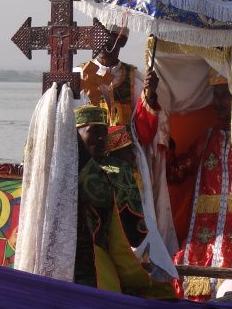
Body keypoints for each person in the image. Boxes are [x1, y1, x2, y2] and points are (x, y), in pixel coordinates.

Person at [165, 69, 232, 301]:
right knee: (183, 264)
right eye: (216, 95)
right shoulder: (206, 139)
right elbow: (175, 175)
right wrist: (165, 140)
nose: (218, 102)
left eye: (224, 95)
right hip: (202, 235)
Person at [74, 105, 175, 298]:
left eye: (105, 132)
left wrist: (79, 152)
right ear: (77, 135)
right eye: (94, 132)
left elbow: (101, 194)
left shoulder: (116, 169)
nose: (103, 139)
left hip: (95, 262)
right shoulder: (57, 164)